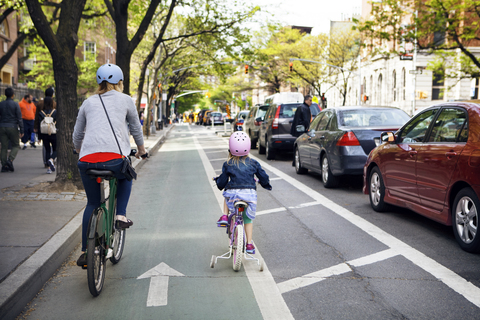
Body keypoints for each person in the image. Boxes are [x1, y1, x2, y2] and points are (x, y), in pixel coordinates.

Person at [72, 63, 147, 267]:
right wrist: (141, 150)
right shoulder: (126, 100)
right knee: (127, 175)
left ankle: (86, 251)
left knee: (92, 204)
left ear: (99, 82)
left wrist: (79, 151)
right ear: (120, 82)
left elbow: (77, 134)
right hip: (115, 159)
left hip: (87, 161)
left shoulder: (88, 102)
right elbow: (135, 128)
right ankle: (120, 215)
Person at [214, 132, 272, 254]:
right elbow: (263, 177)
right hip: (249, 196)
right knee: (247, 220)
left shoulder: (228, 164)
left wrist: (218, 182)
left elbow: (222, 182)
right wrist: (265, 184)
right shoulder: (254, 163)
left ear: (230, 148)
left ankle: (225, 216)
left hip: (233, 195)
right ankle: (249, 244)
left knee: (226, 194)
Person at [0, 87, 24, 172]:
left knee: (3, 147)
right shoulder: (15, 104)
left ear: (5, 94)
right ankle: (10, 160)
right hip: (13, 126)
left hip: (2, 126)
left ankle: (4, 165)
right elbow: (19, 118)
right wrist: (22, 130)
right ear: (13, 95)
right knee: (15, 145)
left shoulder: (1, 104)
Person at [34, 87, 56, 168]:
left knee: (46, 148)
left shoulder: (39, 104)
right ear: (52, 95)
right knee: (55, 147)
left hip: (43, 128)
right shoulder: (54, 104)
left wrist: (36, 127)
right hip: (52, 129)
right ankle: (52, 160)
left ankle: (46, 163)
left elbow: (37, 117)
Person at [291, 95, 312, 166]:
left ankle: (295, 161)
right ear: (306, 100)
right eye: (310, 100)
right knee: (302, 146)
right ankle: (299, 162)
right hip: (302, 130)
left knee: (297, 146)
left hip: (298, 129)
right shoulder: (305, 108)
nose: (311, 102)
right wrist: (308, 128)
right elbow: (306, 120)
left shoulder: (300, 107)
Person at [37, 96, 57, 173]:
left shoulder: (41, 113)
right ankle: (51, 159)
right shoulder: (55, 112)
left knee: (47, 149)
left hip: (44, 133)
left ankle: (49, 168)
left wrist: (39, 137)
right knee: (56, 149)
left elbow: (39, 125)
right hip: (53, 133)